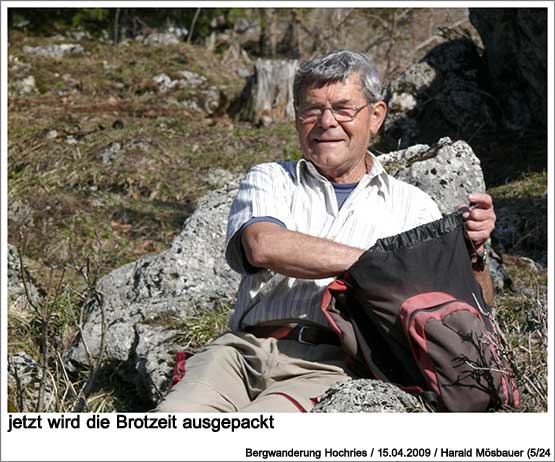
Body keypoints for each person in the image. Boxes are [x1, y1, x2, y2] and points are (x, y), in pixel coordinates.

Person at [155, 49, 496, 412]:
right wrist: (387, 263)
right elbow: (263, 246)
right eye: (311, 109)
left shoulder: (413, 206)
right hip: (238, 352)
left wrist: (474, 253)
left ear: (376, 116)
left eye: (344, 108)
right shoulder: (272, 178)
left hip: (334, 364)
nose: (326, 122)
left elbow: (471, 305)